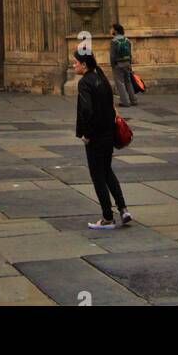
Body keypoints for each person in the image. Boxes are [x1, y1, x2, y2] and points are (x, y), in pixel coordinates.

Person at [74, 48, 132, 229]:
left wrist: (87, 134)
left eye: (75, 62)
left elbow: (87, 111)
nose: (74, 65)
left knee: (97, 176)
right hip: (108, 135)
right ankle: (123, 209)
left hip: (96, 136)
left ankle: (107, 217)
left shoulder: (85, 82)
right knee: (107, 171)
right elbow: (110, 107)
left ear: (84, 65)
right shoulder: (102, 78)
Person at [109, 23, 136, 108]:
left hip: (118, 64)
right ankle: (133, 100)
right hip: (127, 63)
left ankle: (125, 102)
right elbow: (130, 53)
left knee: (120, 83)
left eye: (112, 29)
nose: (111, 30)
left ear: (116, 31)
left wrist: (113, 65)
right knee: (128, 81)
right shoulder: (127, 40)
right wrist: (130, 63)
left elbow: (112, 55)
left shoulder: (114, 41)